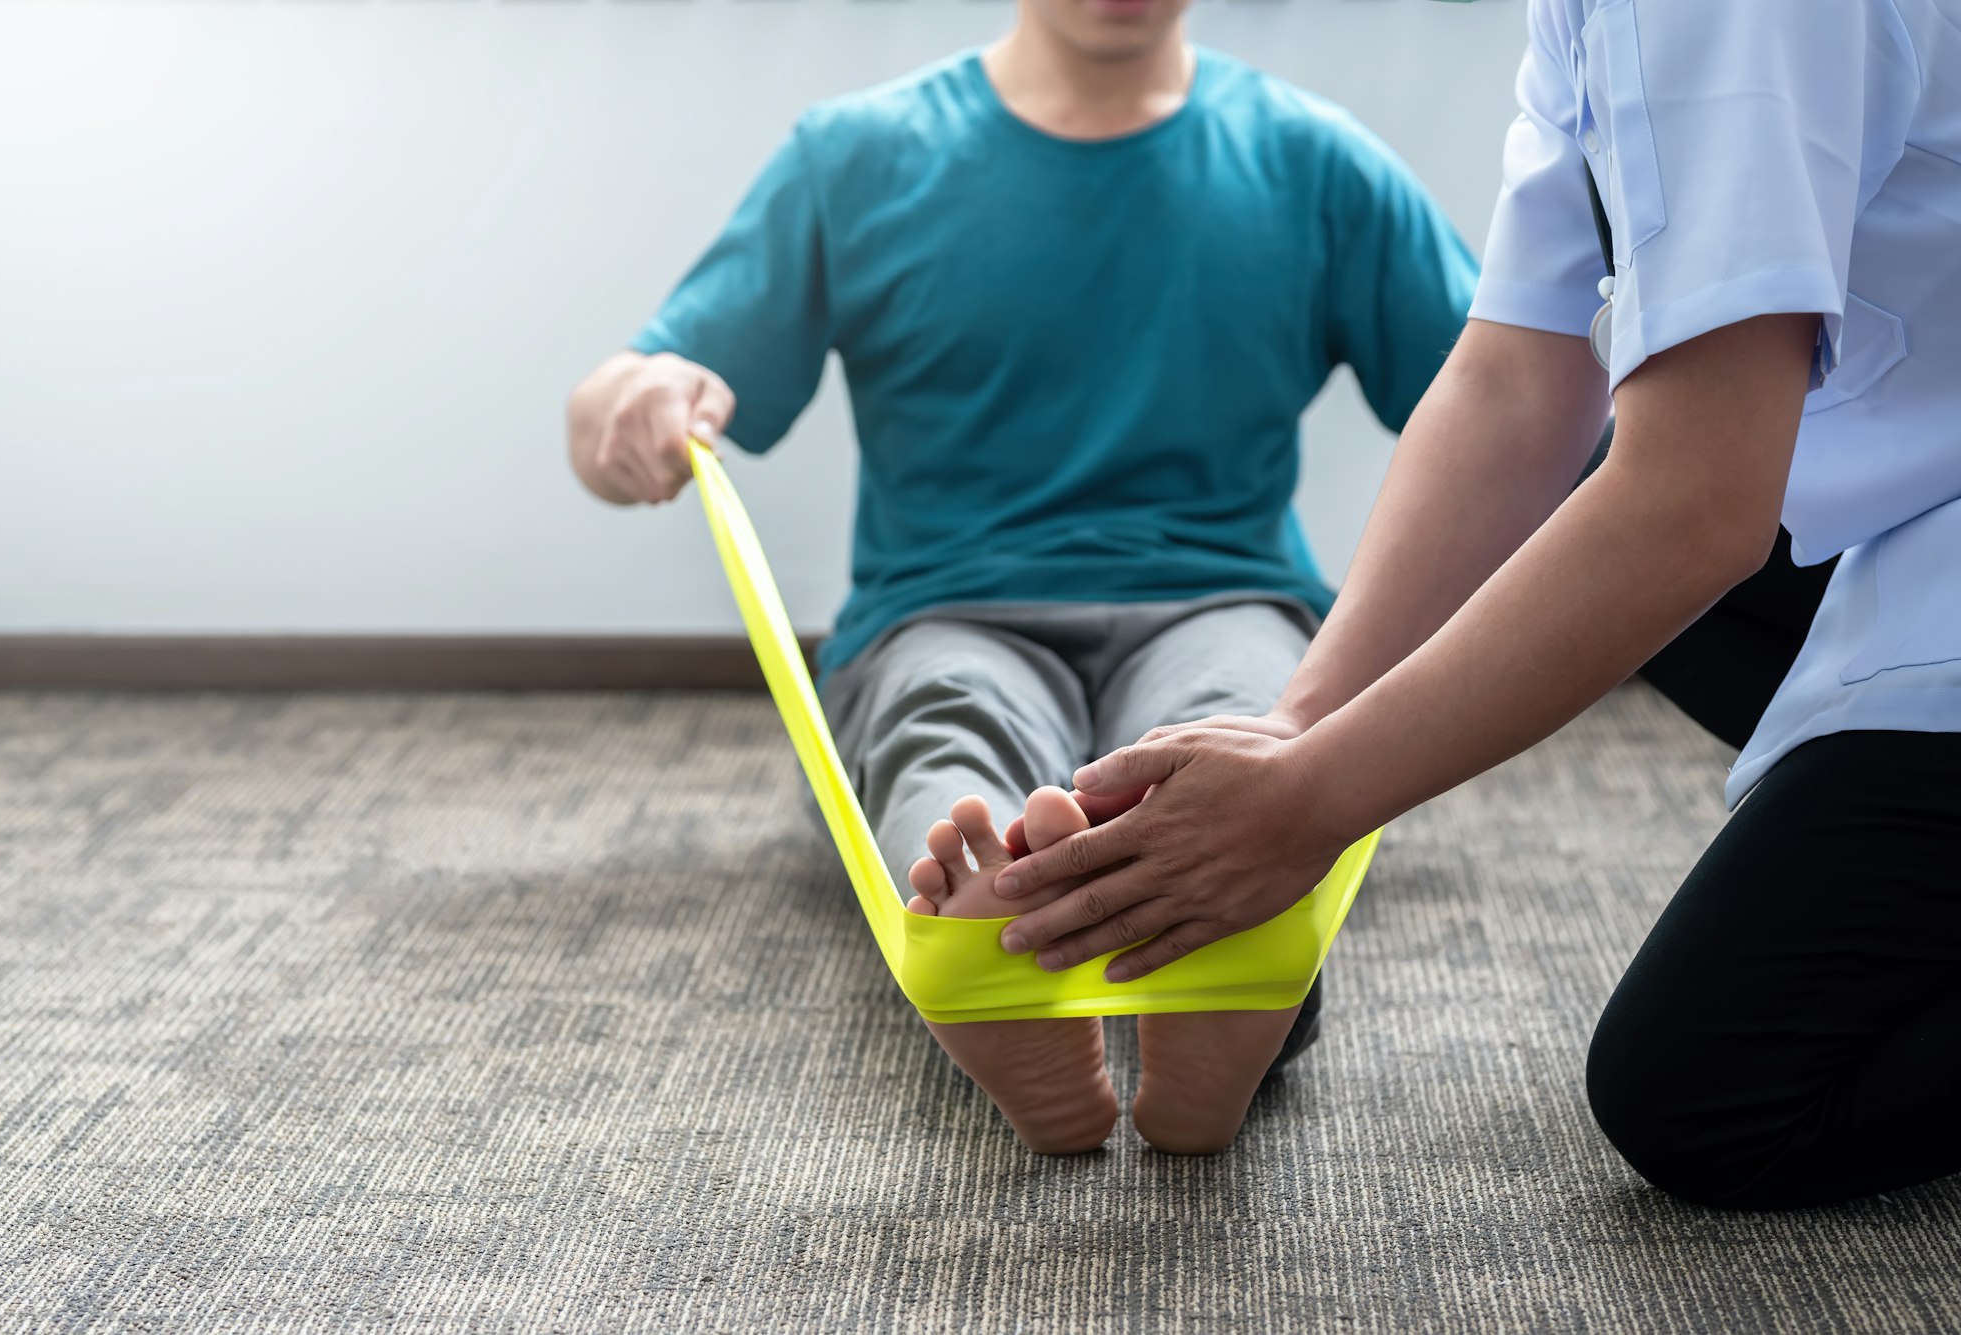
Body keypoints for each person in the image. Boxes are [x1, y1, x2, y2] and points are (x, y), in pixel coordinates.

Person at [988, 0, 1961, 1207]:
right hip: (1913, 501)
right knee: (1587, 542)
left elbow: (1694, 506)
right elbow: (1520, 376)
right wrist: (1299, 728)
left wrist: (1313, 803)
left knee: (1707, 1097)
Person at [565, 0, 1478, 1153]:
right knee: (946, 724)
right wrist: (625, 406)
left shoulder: (1314, 161)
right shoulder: (856, 156)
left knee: (1235, 726)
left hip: (1222, 597)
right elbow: (639, 380)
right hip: (945, 607)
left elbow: (1508, 402)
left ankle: (1130, 971)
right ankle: (1035, 930)